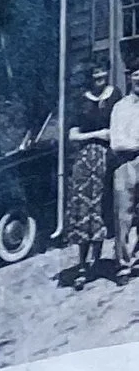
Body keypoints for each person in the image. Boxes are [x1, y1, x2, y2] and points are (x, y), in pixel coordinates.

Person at [64, 51, 115, 286]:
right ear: (90, 77)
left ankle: (96, 261)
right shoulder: (80, 101)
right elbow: (73, 136)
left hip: (108, 159)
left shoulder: (115, 95)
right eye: (95, 75)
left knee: (102, 208)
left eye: (103, 73)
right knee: (84, 210)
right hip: (85, 162)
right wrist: (97, 134)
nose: (100, 77)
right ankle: (82, 265)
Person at [110, 43, 139, 277]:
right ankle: (123, 264)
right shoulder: (120, 107)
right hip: (125, 164)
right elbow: (116, 142)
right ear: (130, 79)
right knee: (123, 216)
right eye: (136, 76)